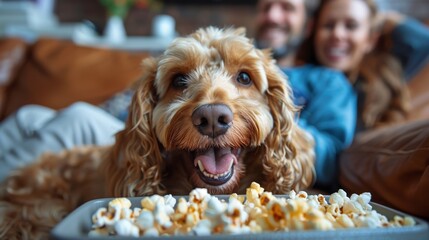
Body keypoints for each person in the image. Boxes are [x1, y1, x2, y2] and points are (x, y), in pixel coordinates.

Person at [295, 0, 429, 219]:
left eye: (351, 25)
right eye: (328, 25)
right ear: (314, 33)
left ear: (371, 39)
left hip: (372, 167)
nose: (337, 34)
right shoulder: (303, 81)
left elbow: (423, 44)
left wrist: (381, 17)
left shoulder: (383, 76)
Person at [255, 0, 357, 192]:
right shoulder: (225, 69)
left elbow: (331, 159)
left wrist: (272, 115)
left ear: (308, 25)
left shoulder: (328, 81)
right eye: (266, 8)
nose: (272, 16)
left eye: (287, 8)